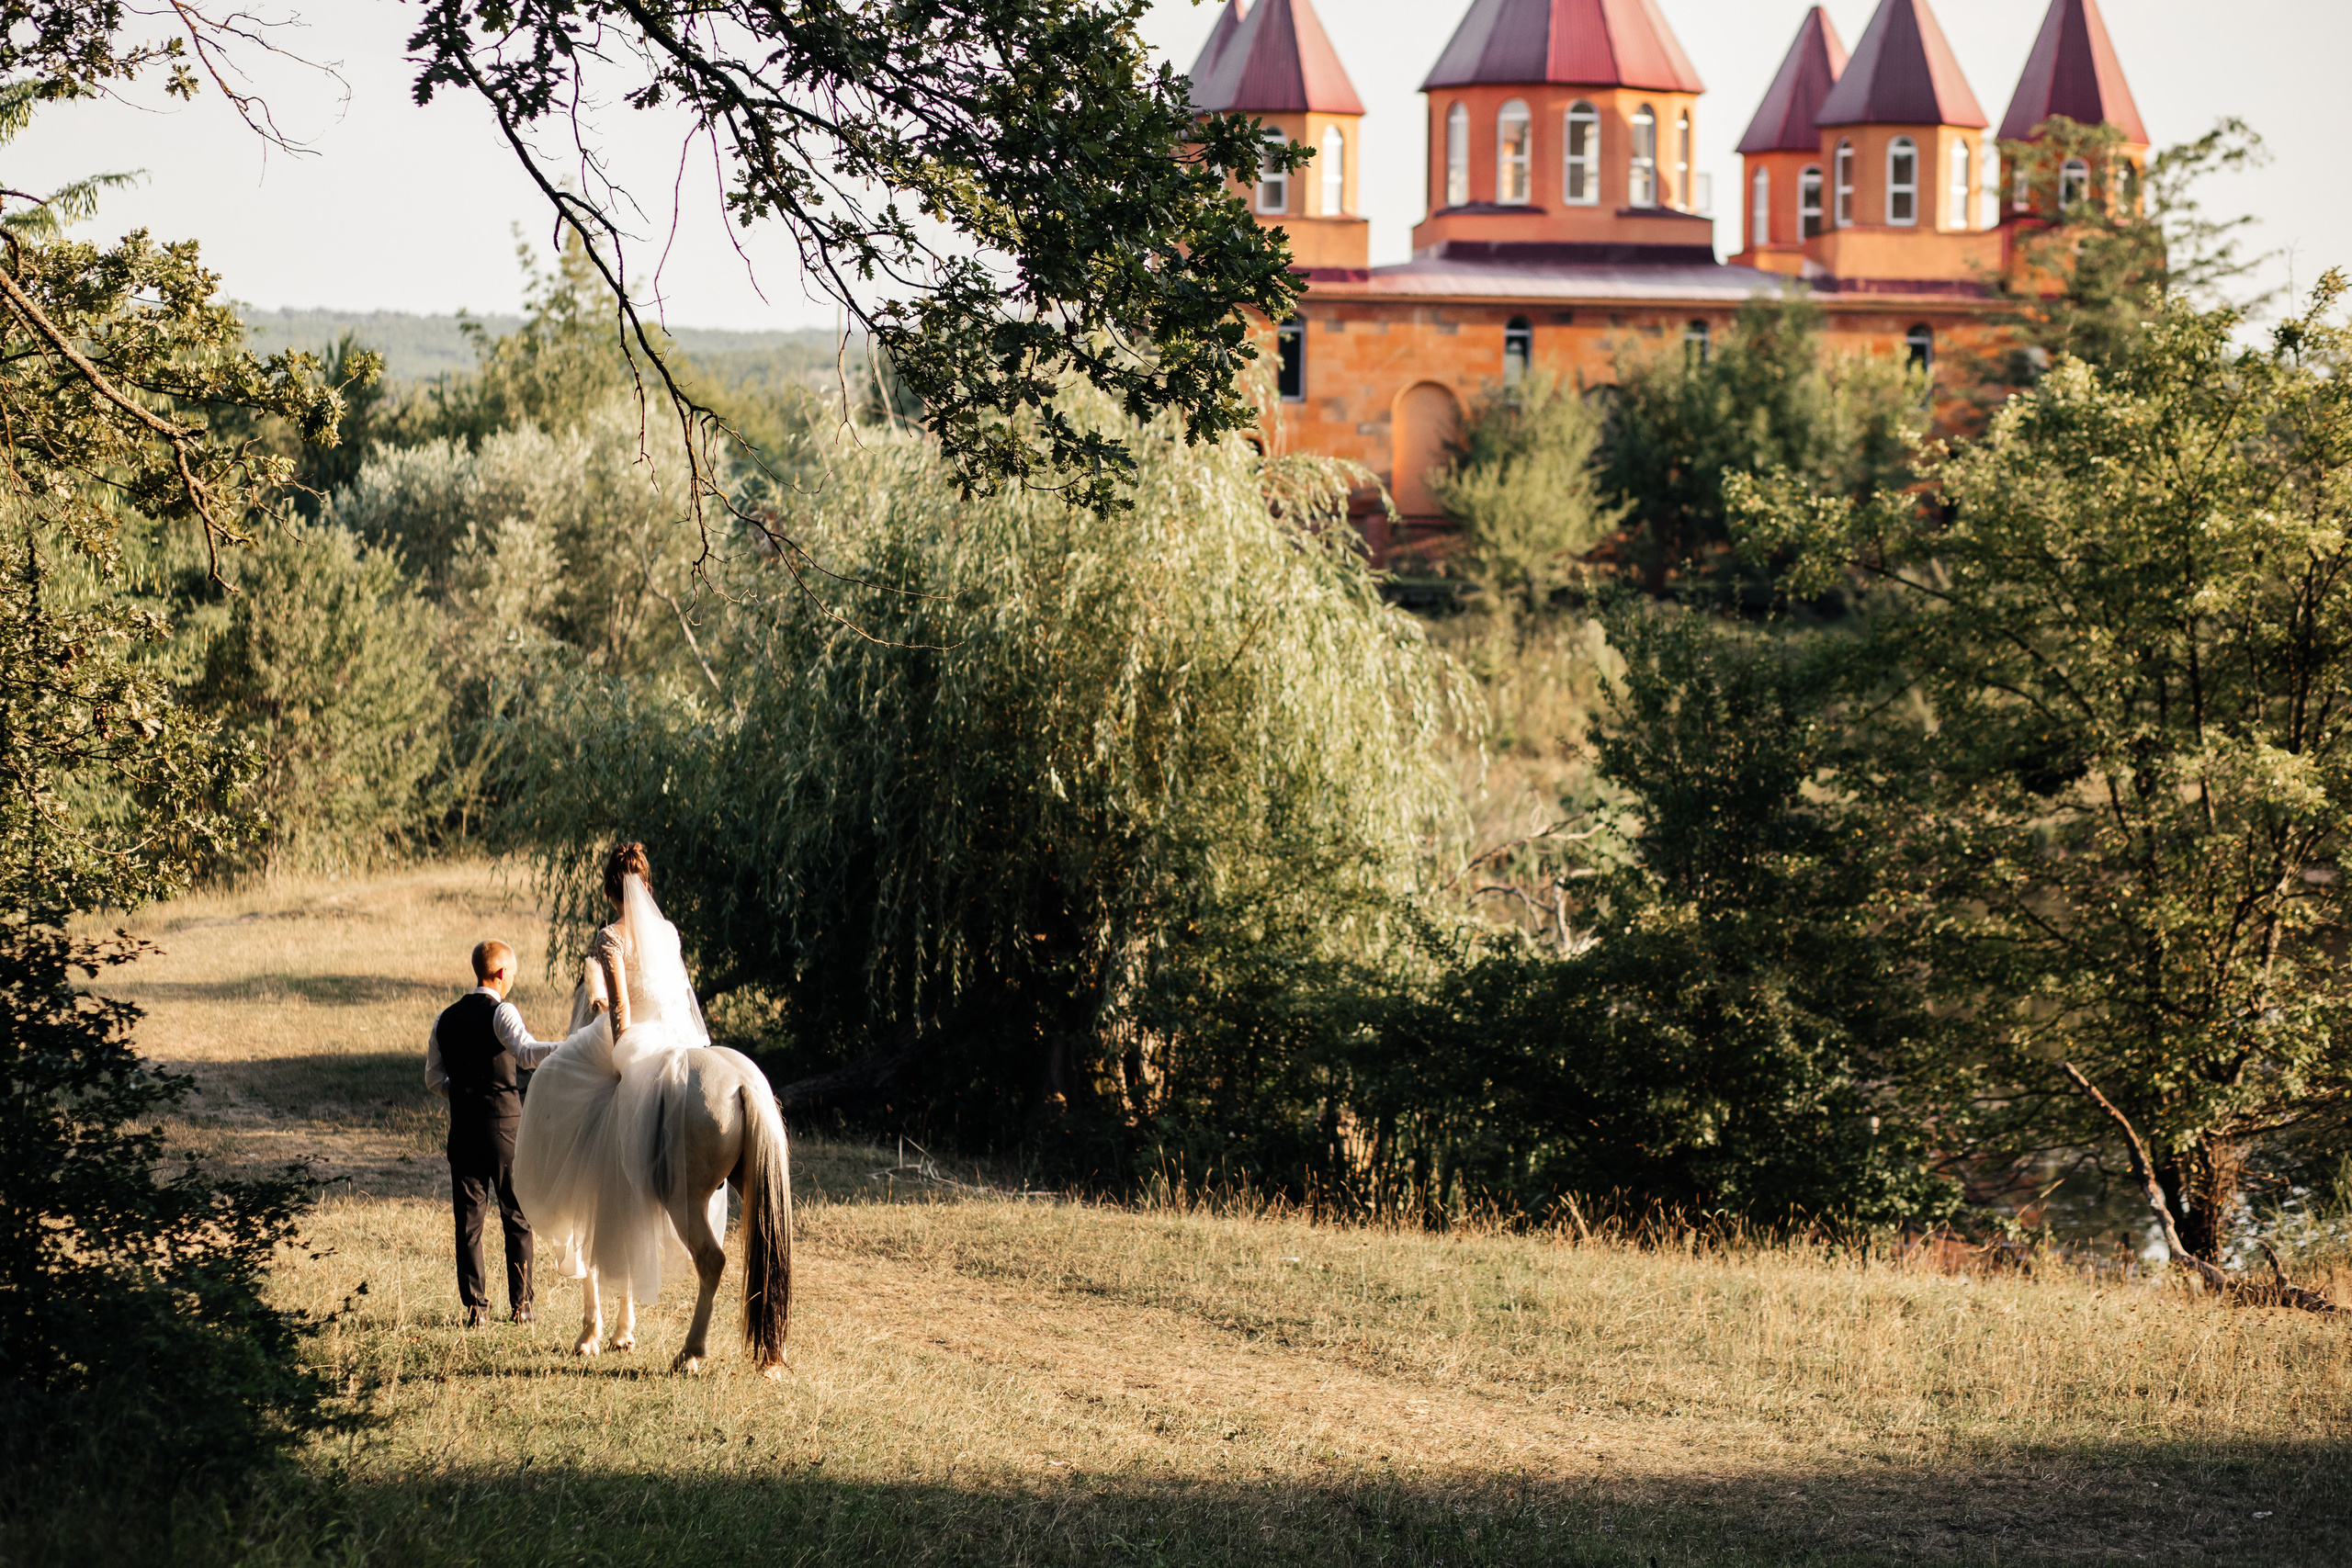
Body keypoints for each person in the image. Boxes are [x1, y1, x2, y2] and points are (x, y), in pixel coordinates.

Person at [513, 841, 720, 1319]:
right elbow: (676, 998)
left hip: (633, 1038)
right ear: (647, 885)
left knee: (551, 1081)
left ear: (609, 891)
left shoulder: (610, 937)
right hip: (675, 1038)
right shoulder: (668, 932)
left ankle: (597, 1302)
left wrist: (625, 1059)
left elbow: (621, 1008)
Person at [425, 939, 558, 1327]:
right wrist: (572, 1048)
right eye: (511, 974)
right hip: (505, 1131)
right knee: (516, 1216)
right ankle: (522, 1306)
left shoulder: (444, 1018)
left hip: (463, 1129)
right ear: (501, 974)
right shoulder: (502, 1011)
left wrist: (463, 1094)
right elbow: (526, 1053)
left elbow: (433, 1078)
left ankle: (476, 1310)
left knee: (468, 1224)